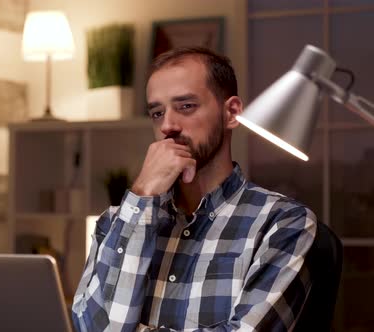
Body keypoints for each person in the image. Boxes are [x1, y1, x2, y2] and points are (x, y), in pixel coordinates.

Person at [72, 47, 316, 331]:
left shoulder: (284, 222)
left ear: (232, 112)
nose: (168, 126)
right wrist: (143, 195)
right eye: (157, 112)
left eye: (186, 106)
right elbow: (92, 328)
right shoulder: (115, 222)